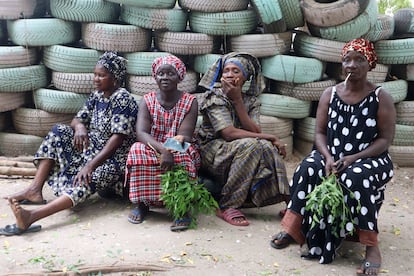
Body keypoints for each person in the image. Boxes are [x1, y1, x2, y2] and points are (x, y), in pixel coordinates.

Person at [270, 38, 396, 275]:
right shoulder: (330, 94)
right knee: (307, 168)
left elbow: (384, 140)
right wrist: (327, 156)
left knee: (355, 179)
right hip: (332, 154)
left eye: (359, 60)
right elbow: (319, 132)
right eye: (347, 59)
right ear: (342, 65)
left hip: (370, 158)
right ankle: (293, 228)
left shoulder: (381, 97)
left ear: (370, 64)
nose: (352, 65)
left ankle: (371, 246)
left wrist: (353, 158)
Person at [1, 51, 138, 236]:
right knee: (59, 131)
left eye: (101, 75)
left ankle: (31, 217)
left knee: (89, 176)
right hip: (93, 148)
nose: (96, 79)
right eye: (95, 74)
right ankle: (34, 190)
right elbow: (77, 119)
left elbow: (118, 138)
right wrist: (80, 127)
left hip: (115, 159)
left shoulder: (123, 98)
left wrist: (90, 165)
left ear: (115, 79)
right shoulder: (98, 95)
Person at [197, 52, 290, 227]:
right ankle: (227, 204)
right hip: (212, 150)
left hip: (238, 150)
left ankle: (290, 203)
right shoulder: (214, 97)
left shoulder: (251, 101)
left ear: (245, 78)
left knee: (264, 146)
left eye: (236, 71)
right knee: (254, 144)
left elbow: (255, 130)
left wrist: (238, 101)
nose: (230, 75)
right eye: (226, 71)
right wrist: (271, 137)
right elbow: (228, 134)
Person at [125, 55, 200, 231]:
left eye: (170, 74)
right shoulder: (147, 100)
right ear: (155, 77)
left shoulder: (190, 102)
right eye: (161, 73)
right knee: (136, 150)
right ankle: (142, 203)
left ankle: (181, 208)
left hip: (179, 145)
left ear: (179, 77)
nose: (165, 77)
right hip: (153, 145)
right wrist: (162, 151)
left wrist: (169, 151)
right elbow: (141, 133)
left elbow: (185, 135)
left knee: (183, 155)